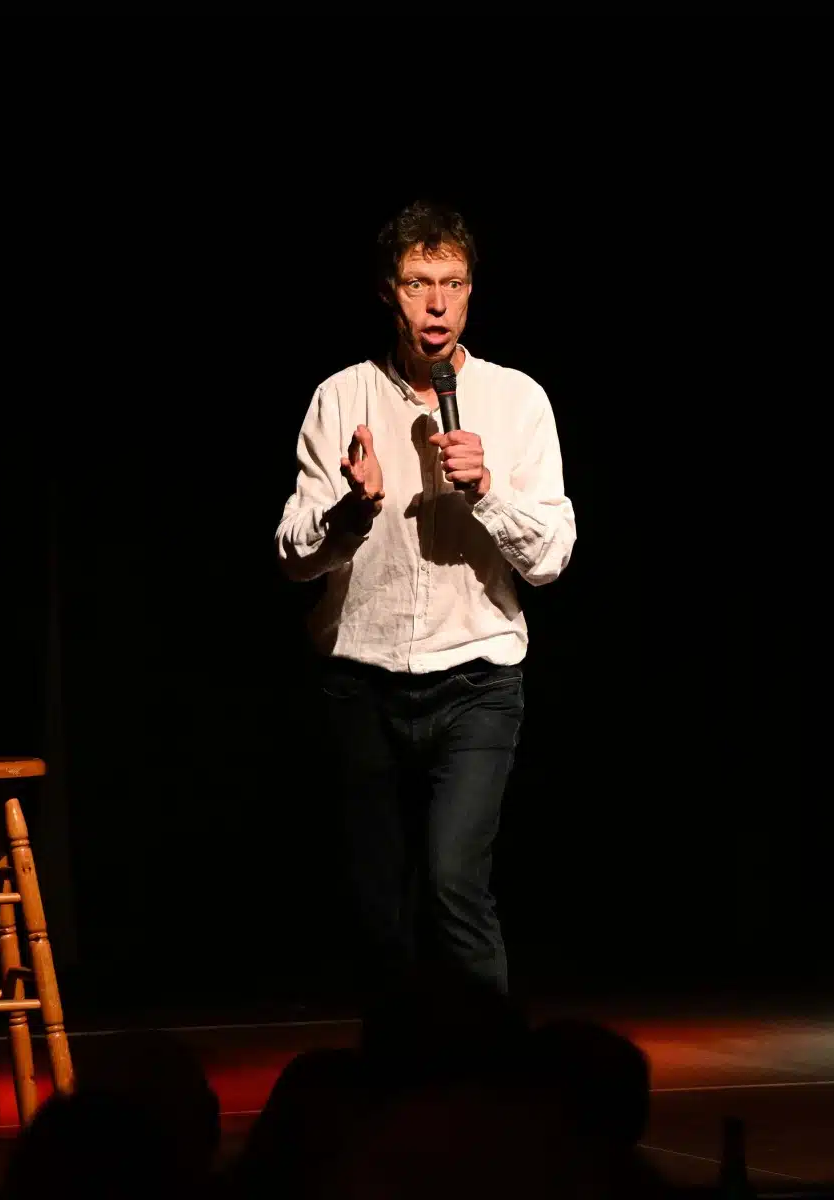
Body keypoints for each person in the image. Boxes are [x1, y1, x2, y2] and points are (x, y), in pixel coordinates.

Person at [275, 201, 577, 998]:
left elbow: (551, 559)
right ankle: (394, 1067)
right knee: (379, 912)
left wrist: (488, 490)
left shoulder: (517, 401)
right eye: (418, 283)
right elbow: (292, 557)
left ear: (472, 291)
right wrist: (351, 512)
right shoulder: (340, 397)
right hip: (362, 684)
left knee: (453, 885)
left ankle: (494, 1065)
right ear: (389, 291)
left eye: (453, 283)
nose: (437, 304)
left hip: (476, 682)